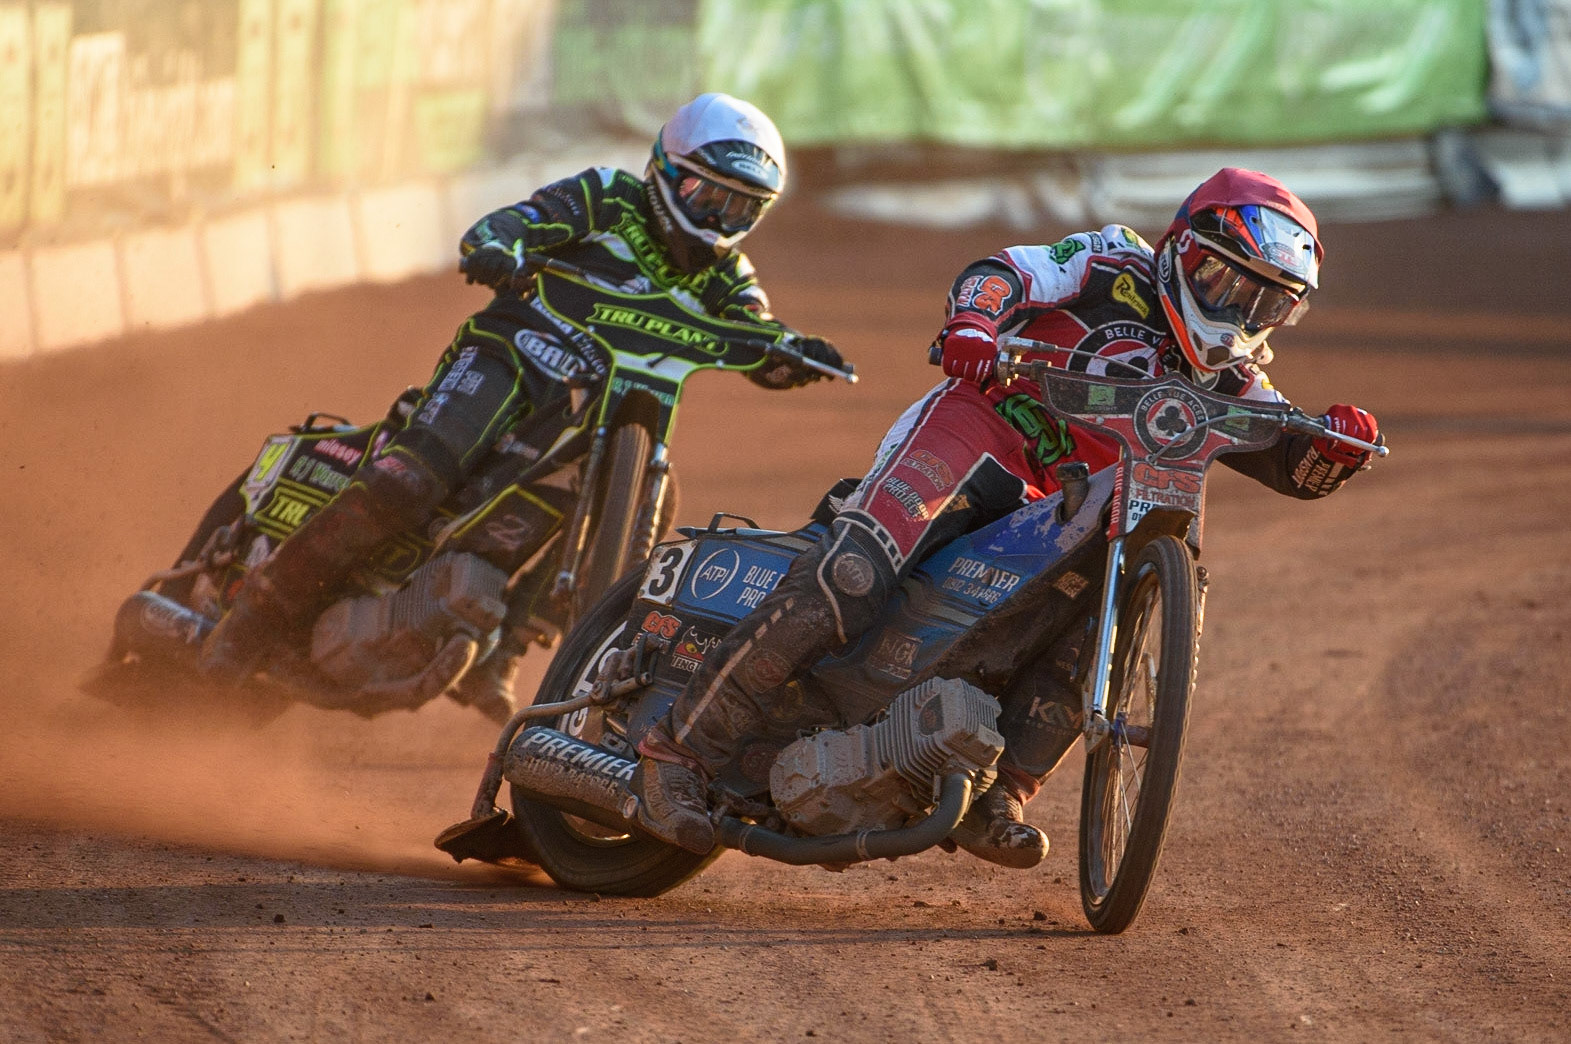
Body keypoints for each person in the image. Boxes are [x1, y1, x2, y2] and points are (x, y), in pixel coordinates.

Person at [629, 167, 1381, 863]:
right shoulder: (1110, 259)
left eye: (1265, 303)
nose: (1237, 311)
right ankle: (676, 756)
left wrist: (1340, 446)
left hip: (1065, 502)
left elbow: (1295, 466)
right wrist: (974, 325)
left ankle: (998, 791)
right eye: (1225, 282)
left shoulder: (1234, 380)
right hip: (979, 430)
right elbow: (1002, 273)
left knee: (1102, 618)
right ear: (1180, 249)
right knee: (852, 574)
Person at [199, 93, 846, 720]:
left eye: (741, 207)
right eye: (707, 195)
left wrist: (791, 355)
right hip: (512, 358)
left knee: (663, 493)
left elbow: (757, 330)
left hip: (591, 417)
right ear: (665, 171)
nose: (719, 217)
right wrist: (498, 244)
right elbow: (519, 221)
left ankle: (502, 649)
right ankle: (252, 616)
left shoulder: (727, 276)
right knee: (410, 480)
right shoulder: (606, 197)